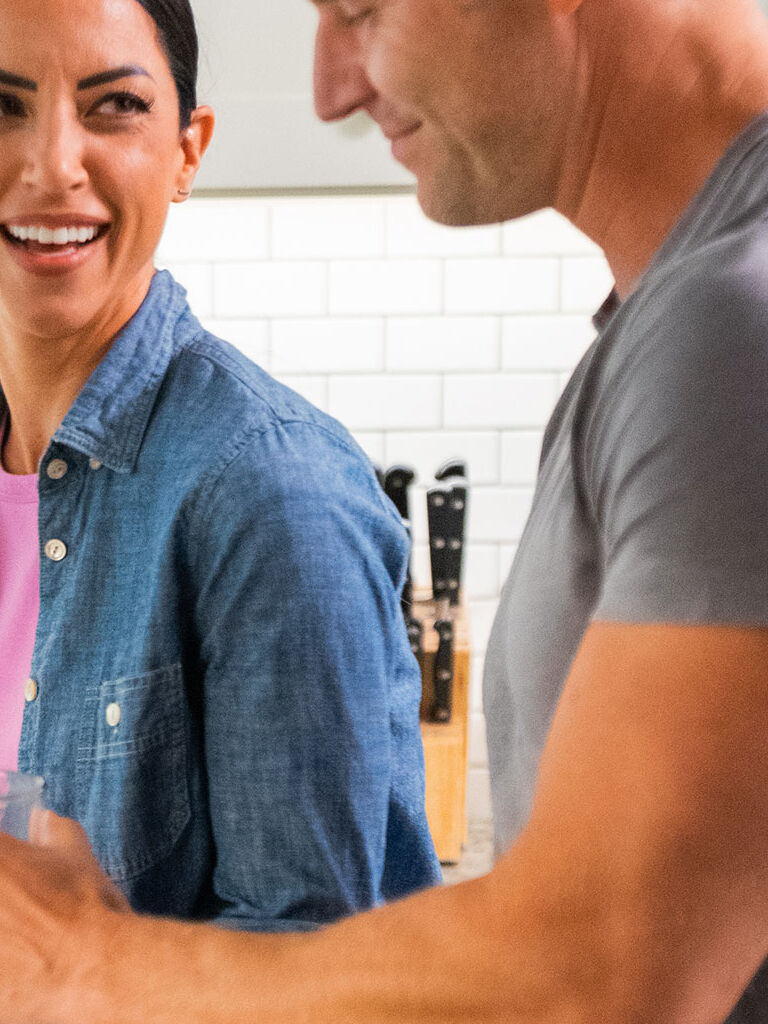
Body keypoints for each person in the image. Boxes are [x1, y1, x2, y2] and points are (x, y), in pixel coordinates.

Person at [3, 0, 768, 1020]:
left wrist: (82, 965)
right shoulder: (666, 331)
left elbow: (601, 967)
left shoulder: (730, 326)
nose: (331, 92)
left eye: (361, 9)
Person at [0, 0, 440, 934]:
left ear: (188, 151)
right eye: (2, 106)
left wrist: (89, 958)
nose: (51, 166)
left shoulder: (271, 490)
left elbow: (312, 965)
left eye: (112, 106)